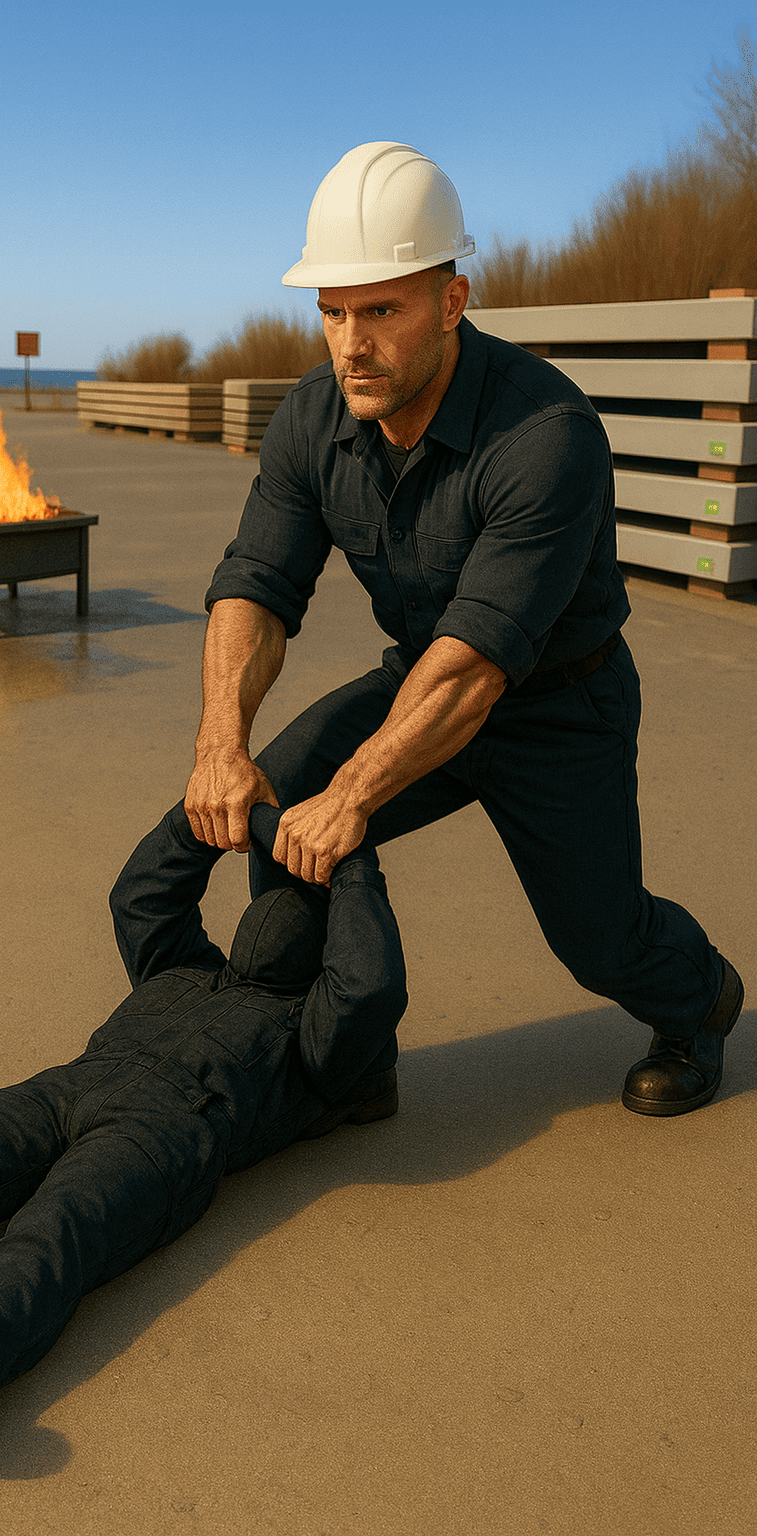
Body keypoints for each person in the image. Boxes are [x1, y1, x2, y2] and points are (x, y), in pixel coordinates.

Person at [185, 141, 743, 1119]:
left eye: (381, 310)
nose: (349, 343)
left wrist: (353, 794)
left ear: (451, 300)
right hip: (420, 680)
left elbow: (477, 668)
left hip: (556, 708)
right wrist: (218, 745)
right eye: (331, 312)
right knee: (279, 822)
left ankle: (701, 1003)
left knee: (599, 941)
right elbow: (258, 588)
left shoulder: (545, 435)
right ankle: (341, 1062)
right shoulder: (313, 418)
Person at [0, 802, 405, 1471]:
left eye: (307, 901)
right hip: (64, 1089)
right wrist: (208, 817)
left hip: (167, 1136)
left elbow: (366, 990)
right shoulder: (185, 966)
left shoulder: (312, 1041)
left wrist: (350, 867)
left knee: (57, 1229)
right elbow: (143, 892)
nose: (281, 904)